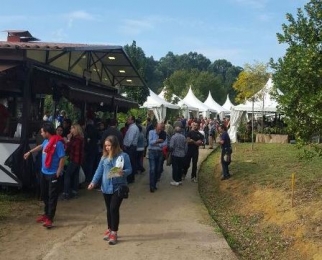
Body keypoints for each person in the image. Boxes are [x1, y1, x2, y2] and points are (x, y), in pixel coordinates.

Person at [88, 135, 132, 245]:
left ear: (115, 145)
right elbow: (99, 171)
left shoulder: (123, 156)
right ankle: (109, 228)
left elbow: (130, 169)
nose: (107, 148)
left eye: (109, 145)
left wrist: (124, 172)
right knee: (108, 209)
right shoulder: (104, 158)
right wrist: (93, 182)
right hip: (106, 187)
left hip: (118, 187)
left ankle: (114, 232)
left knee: (113, 208)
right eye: (105, 146)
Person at [23, 122, 65, 228]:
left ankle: (50, 218)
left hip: (52, 174)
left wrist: (59, 170)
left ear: (47, 132)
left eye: (42, 131)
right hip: (44, 172)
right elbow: (40, 147)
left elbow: (62, 157)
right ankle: (46, 214)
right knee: (45, 195)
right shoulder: (47, 141)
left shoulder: (58, 143)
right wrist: (30, 152)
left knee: (52, 197)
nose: (41, 133)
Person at [61, 123, 84, 200]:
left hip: (74, 159)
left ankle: (66, 193)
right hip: (78, 160)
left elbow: (68, 148)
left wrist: (68, 140)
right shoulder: (81, 138)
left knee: (67, 175)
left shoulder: (76, 139)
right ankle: (74, 191)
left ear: (76, 129)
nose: (70, 130)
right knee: (75, 176)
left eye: (72, 128)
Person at [147, 123, 167, 192]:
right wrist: (157, 141)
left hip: (160, 153)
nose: (159, 130)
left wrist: (158, 145)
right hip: (152, 152)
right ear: (156, 127)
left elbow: (165, 143)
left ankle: (154, 184)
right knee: (152, 169)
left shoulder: (164, 134)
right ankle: (152, 186)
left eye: (161, 129)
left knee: (158, 169)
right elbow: (150, 142)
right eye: (158, 129)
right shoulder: (151, 132)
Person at [123, 115, 139, 183]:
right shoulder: (133, 127)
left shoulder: (133, 128)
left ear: (132, 120)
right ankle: (131, 177)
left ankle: (130, 178)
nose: (127, 120)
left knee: (129, 163)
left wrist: (126, 146)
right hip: (132, 147)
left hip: (130, 147)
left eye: (129, 119)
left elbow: (130, 139)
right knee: (131, 162)